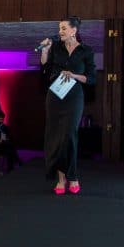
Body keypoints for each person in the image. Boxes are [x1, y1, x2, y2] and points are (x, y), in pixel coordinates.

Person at [40, 16, 96, 194]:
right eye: (59, 28)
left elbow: (91, 78)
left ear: (74, 30)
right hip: (55, 96)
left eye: (63, 28)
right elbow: (45, 67)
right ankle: (61, 179)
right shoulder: (56, 47)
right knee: (55, 137)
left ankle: (73, 176)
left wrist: (74, 75)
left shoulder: (86, 51)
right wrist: (45, 50)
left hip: (74, 97)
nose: (60, 31)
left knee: (69, 135)